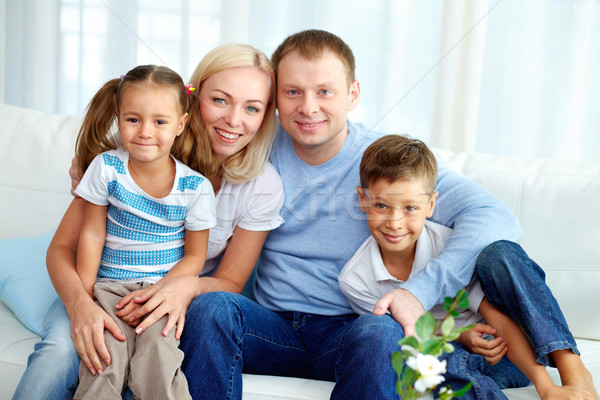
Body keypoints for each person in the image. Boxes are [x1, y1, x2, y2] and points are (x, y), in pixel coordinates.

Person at [178, 29, 522, 400]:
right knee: (212, 307)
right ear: (274, 99)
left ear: (352, 94)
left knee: (380, 332)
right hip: (271, 326)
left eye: (324, 91)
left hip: (351, 329)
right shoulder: (251, 142)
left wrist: (420, 292)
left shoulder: (384, 162)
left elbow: (494, 216)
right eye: (293, 92)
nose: (308, 108)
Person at [13, 43, 284, 400]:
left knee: (150, 364)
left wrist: (179, 289)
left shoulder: (257, 186)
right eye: (220, 100)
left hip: (166, 295)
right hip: (95, 285)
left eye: (252, 108)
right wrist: (82, 304)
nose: (233, 119)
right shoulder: (129, 154)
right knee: (66, 352)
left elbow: (230, 280)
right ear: (192, 98)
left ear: (266, 117)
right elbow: (64, 246)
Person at [338, 134, 599, 400]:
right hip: (451, 358)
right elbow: (402, 342)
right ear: (363, 199)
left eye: (410, 208)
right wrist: (460, 337)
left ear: (430, 205)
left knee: (499, 253)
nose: (394, 222)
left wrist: (546, 388)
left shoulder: (451, 248)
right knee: (446, 363)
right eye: (381, 205)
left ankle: (572, 369)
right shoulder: (356, 279)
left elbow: (500, 323)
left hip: (507, 353)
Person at [70, 64, 217, 399]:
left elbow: (195, 256)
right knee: (103, 362)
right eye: (133, 119)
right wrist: (88, 296)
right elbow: (92, 234)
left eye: (160, 122)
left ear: (180, 124)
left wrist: (158, 295)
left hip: (161, 295)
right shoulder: (106, 169)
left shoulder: (195, 187)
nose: (145, 132)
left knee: (159, 362)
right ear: (118, 118)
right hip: (109, 291)